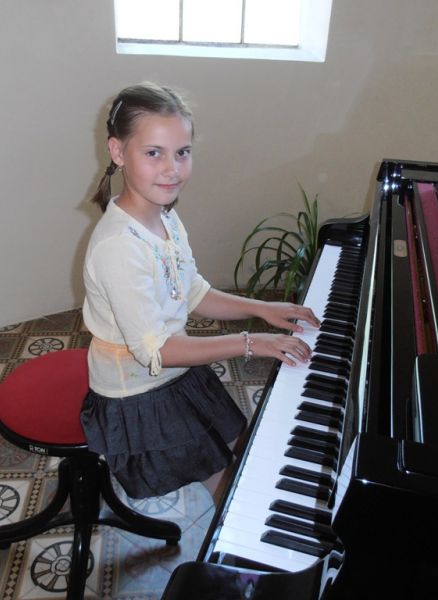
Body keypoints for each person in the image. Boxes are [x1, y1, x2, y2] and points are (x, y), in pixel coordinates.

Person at [80, 82, 320, 504]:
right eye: (153, 153)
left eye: (182, 152)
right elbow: (157, 351)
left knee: (245, 448)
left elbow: (192, 291)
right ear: (118, 152)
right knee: (229, 486)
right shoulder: (119, 247)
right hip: (140, 395)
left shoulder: (165, 217)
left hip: (178, 370)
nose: (172, 169)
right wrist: (252, 342)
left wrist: (263, 308)